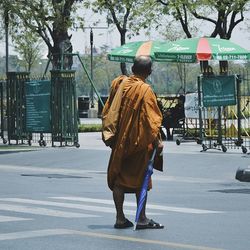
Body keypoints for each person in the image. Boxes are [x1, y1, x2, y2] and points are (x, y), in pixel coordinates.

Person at [102, 56, 164, 230]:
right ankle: (142, 218)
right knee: (141, 178)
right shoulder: (145, 90)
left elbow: (108, 110)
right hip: (138, 143)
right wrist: (157, 141)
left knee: (119, 180)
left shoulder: (119, 83)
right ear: (149, 71)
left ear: (132, 68)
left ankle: (120, 218)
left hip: (120, 141)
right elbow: (150, 121)